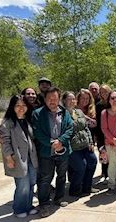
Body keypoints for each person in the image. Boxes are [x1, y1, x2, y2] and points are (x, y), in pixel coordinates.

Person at [32, 87, 73, 218]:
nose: (52, 101)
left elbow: (70, 129)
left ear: (59, 99)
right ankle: (44, 203)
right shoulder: (37, 113)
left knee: (61, 176)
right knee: (45, 178)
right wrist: (52, 143)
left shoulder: (65, 112)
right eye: (49, 99)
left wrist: (60, 141)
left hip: (63, 150)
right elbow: (38, 132)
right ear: (45, 99)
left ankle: (58, 198)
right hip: (46, 152)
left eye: (55, 99)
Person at [0, 95, 38, 218]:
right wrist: (9, 158)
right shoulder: (8, 123)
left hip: (31, 157)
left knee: (31, 182)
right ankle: (19, 209)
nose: (21, 108)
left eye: (24, 105)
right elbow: (5, 141)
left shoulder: (27, 120)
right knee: (22, 185)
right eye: (18, 105)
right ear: (12, 107)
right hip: (18, 159)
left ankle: (28, 206)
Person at [62, 92, 98, 197]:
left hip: (85, 145)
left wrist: (91, 142)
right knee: (81, 166)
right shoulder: (62, 114)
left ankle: (87, 188)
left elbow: (86, 128)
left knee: (92, 161)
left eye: (73, 99)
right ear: (64, 101)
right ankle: (75, 190)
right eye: (69, 99)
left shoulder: (78, 112)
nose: (72, 101)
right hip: (72, 147)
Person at [95, 84, 112, 182]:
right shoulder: (98, 105)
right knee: (104, 154)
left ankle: (113, 175)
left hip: (112, 131)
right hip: (101, 132)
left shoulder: (113, 103)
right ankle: (105, 174)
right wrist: (97, 136)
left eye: (105, 91)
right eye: (101, 92)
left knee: (113, 155)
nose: (104, 94)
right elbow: (97, 121)